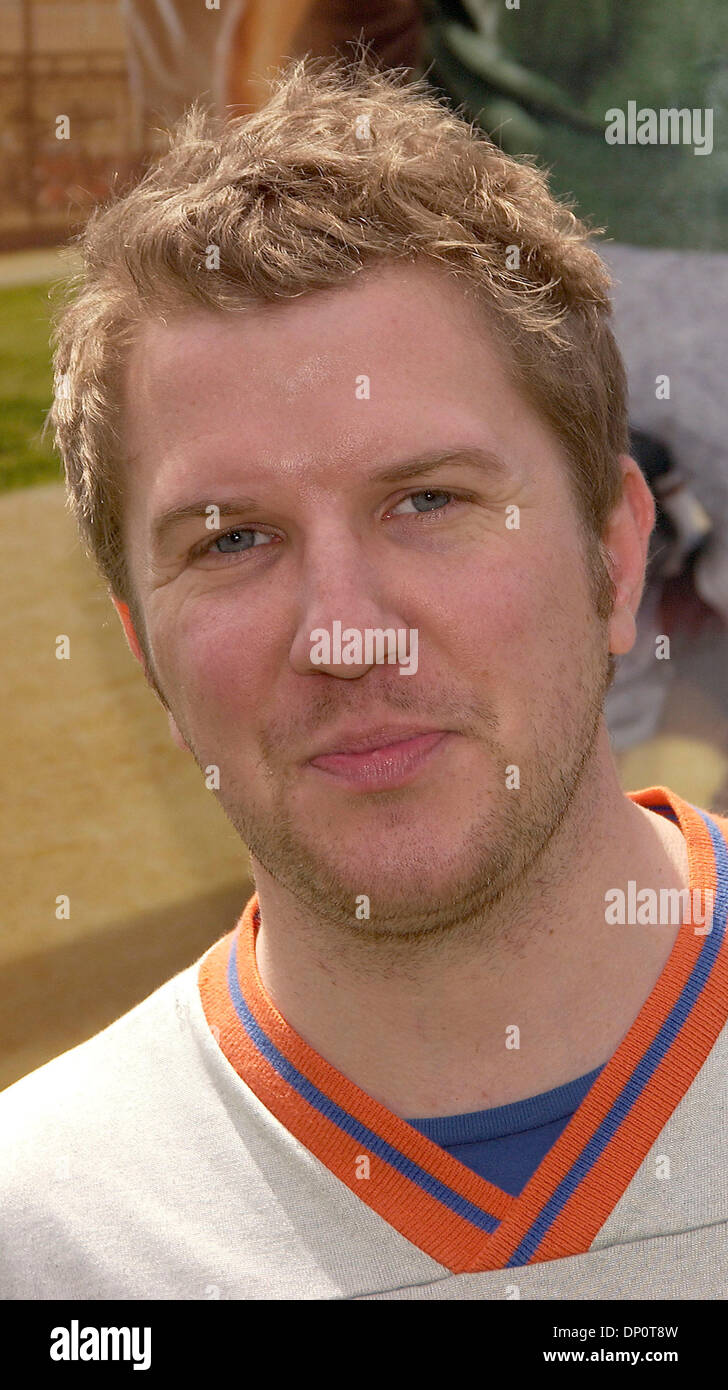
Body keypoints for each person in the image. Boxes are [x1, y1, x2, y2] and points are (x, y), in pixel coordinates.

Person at [2, 53, 726, 1300]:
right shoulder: (46, 1237)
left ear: (614, 548)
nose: (343, 635)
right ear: (139, 641)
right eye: (231, 539)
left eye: (427, 500)